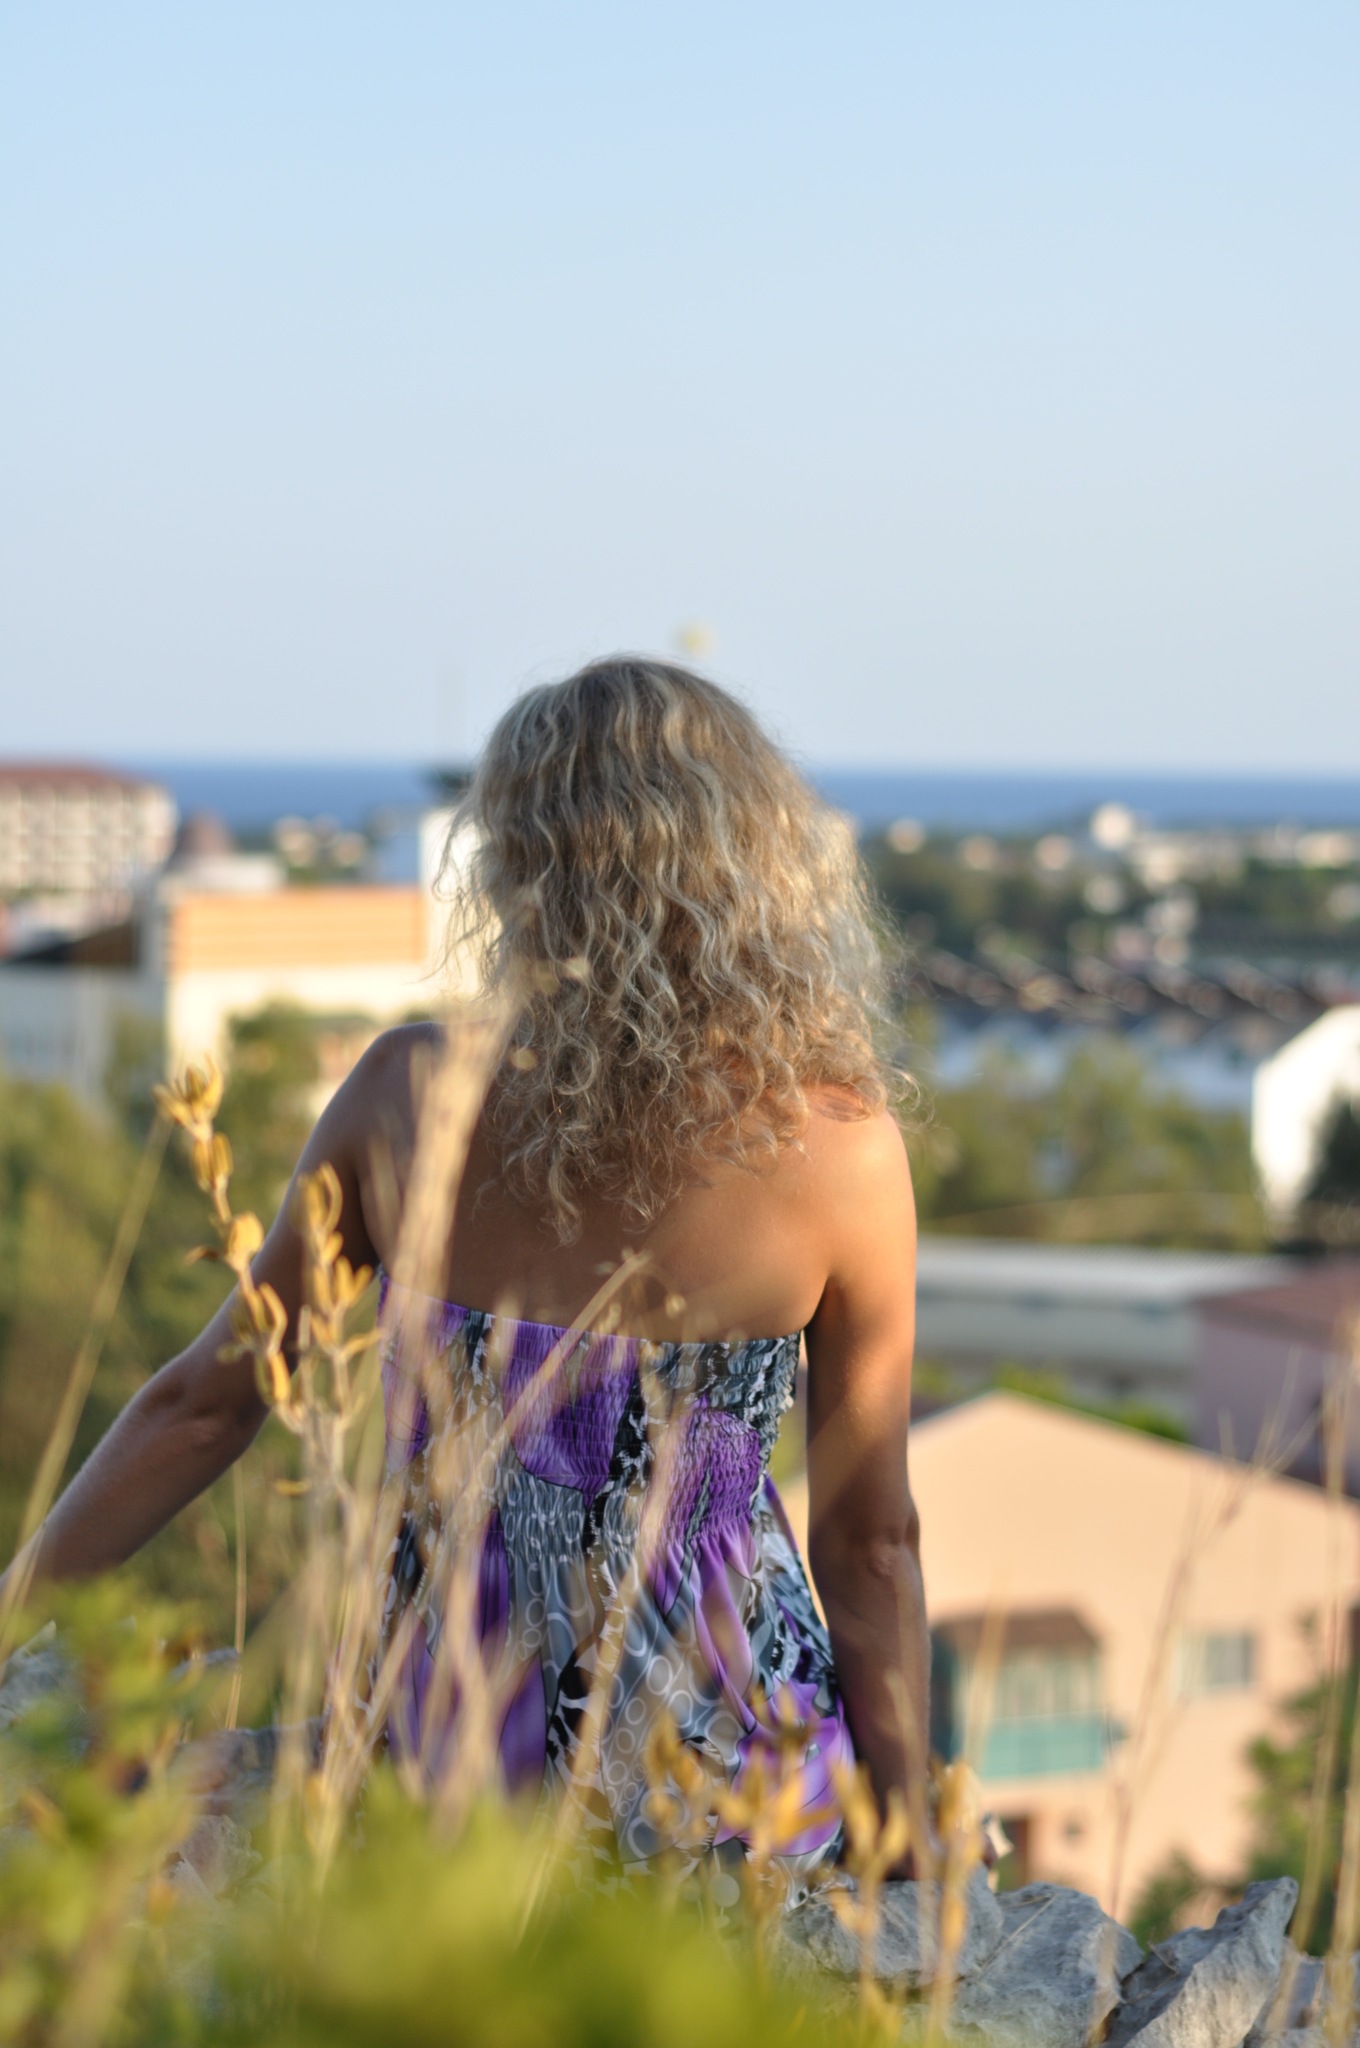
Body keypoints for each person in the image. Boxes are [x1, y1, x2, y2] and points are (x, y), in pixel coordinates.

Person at [1, 657, 926, 1877]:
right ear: (759, 867)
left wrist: (13, 1617)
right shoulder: (843, 1152)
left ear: (516, 868)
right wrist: (912, 1849)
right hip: (730, 1791)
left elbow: (204, 1406)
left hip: (442, 1757)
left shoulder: (409, 1095)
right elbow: (871, 1542)